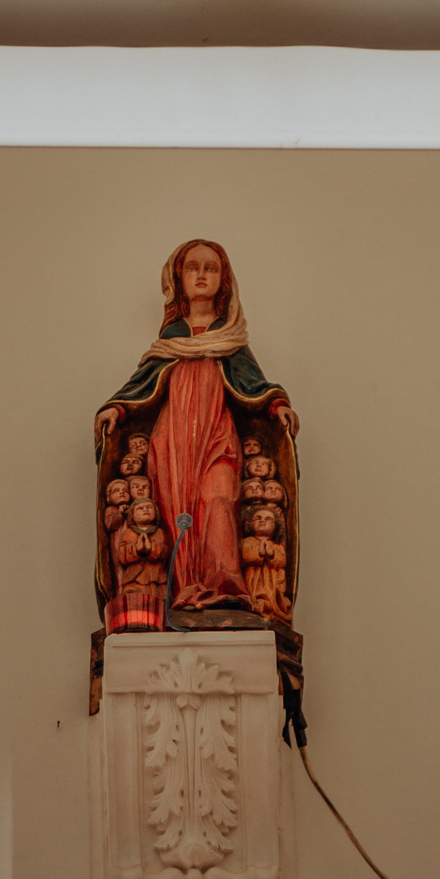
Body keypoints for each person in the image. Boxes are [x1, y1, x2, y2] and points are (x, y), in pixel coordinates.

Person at [95, 240, 298, 614]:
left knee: (218, 498)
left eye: (211, 268)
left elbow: (253, 383)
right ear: (178, 278)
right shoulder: (172, 338)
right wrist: (116, 408)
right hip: (173, 440)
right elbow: (140, 384)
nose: (202, 275)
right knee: (176, 510)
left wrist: (277, 404)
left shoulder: (229, 337)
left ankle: (225, 586)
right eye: (193, 267)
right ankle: (183, 589)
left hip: (217, 434)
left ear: (224, 280)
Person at [241, 506, 292, 623]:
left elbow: (282, 561)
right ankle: (254, 603)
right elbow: (243, 556)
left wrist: (271, 554)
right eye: (258, 518)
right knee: (251, 592)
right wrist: (258, 554)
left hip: (272, 581)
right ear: (250, 524)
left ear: (276, 525)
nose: (262, 521)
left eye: (268, 519)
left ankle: (271, 606)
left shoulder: (276, 546)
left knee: (272, 591)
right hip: (252, 577)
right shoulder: (247, 542)